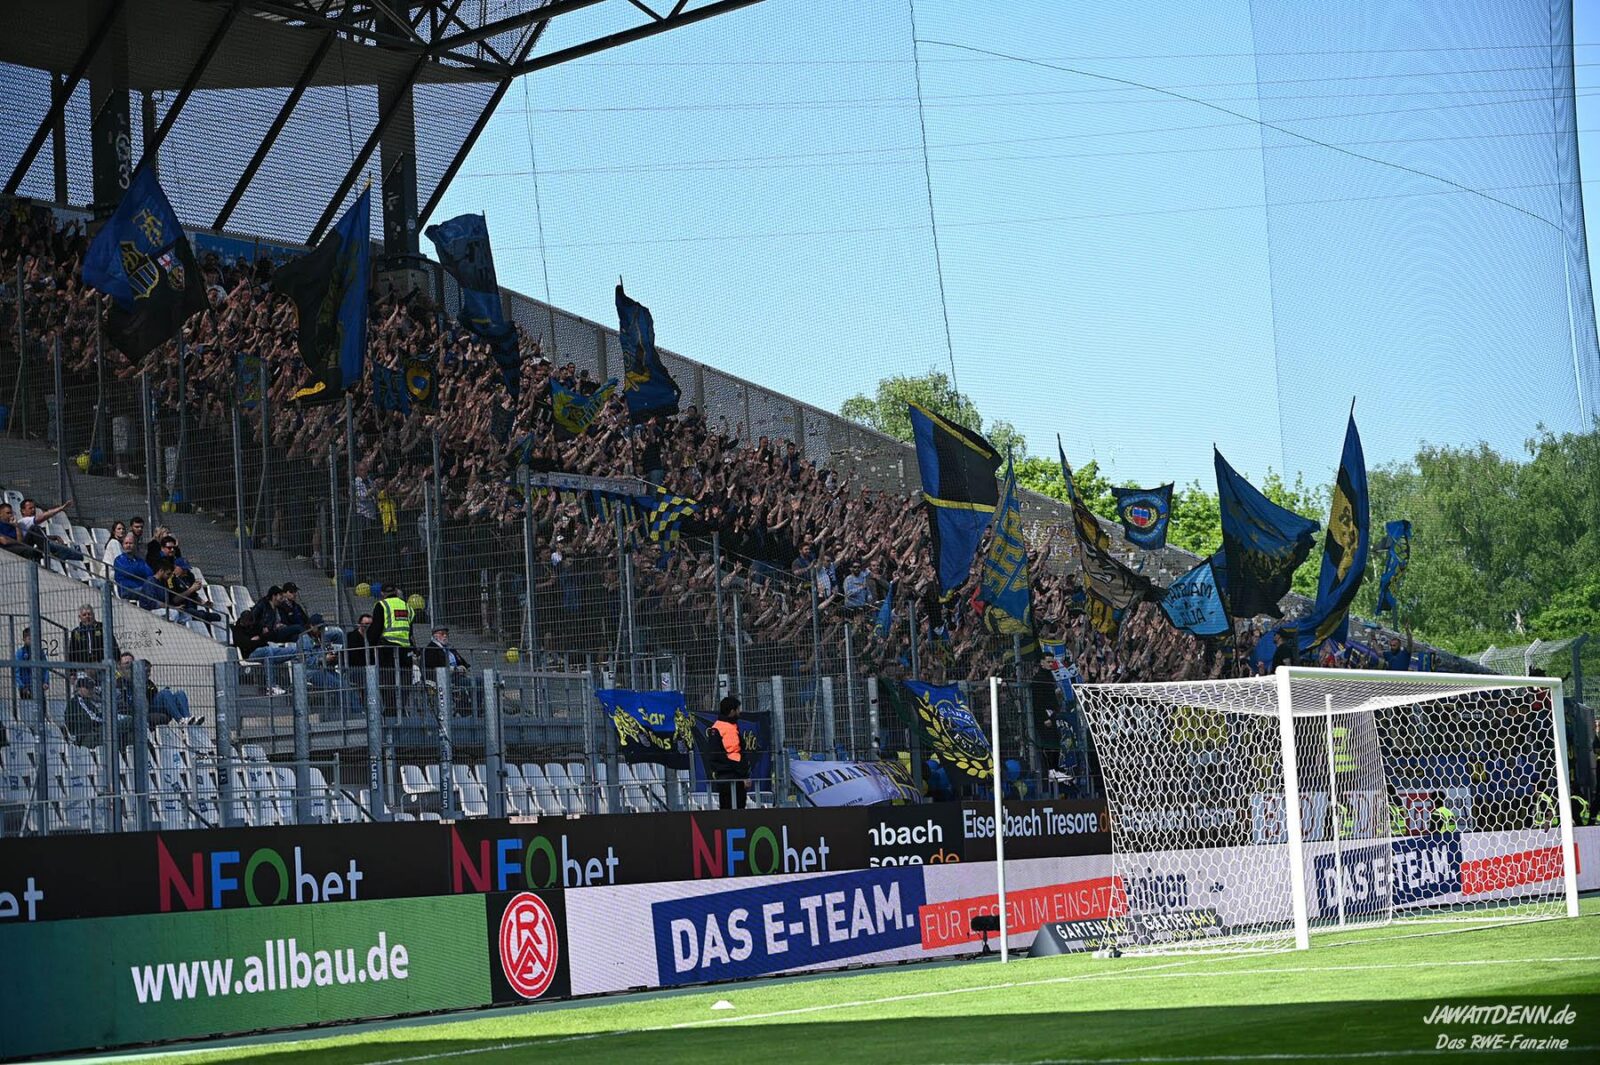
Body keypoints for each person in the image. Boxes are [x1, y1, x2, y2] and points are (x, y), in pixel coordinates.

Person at [367, 583, 414, 716]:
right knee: (404, 683)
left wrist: (370, 644)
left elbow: (375, 630)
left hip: (387, 649)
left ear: (382, 594)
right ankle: (401, 710)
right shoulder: (407, 607)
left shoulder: (382, 605)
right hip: (405, 650)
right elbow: (410, 632)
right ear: (396, 592)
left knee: (387, 683)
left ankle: (390, 712)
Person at [706, 695, 748, 810]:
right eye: (738, 710)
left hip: (726, 775)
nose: (740, 712)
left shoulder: (721, 726)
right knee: (736, 810)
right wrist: (743, 775)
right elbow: (735, 754)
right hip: (732, 776)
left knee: (726, 811)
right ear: (731, 711)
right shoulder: (725, 728)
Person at [113, 533, 160, 607]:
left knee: (156, 587)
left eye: (131, 543)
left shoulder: (139, 560)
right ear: (122, 545)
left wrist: (137, 569)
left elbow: (149, 573)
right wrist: (139, 570)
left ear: (135, 545)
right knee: (150, 589)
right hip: (127, 591)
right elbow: (129, 571)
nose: (128, 545)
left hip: (141, 588)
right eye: (126, 543)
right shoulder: (119, 560)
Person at [14, 627, 46, 701]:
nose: (32, 641)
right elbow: (17, 672)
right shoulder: (20, 653)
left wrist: (45, 681)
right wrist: (22, 686)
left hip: (38, 686)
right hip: (25, 687)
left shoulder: (40, 652)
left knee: (42, 706)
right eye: (29, 639)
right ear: (24, 639)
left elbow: (45, 668)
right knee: (27, 708)